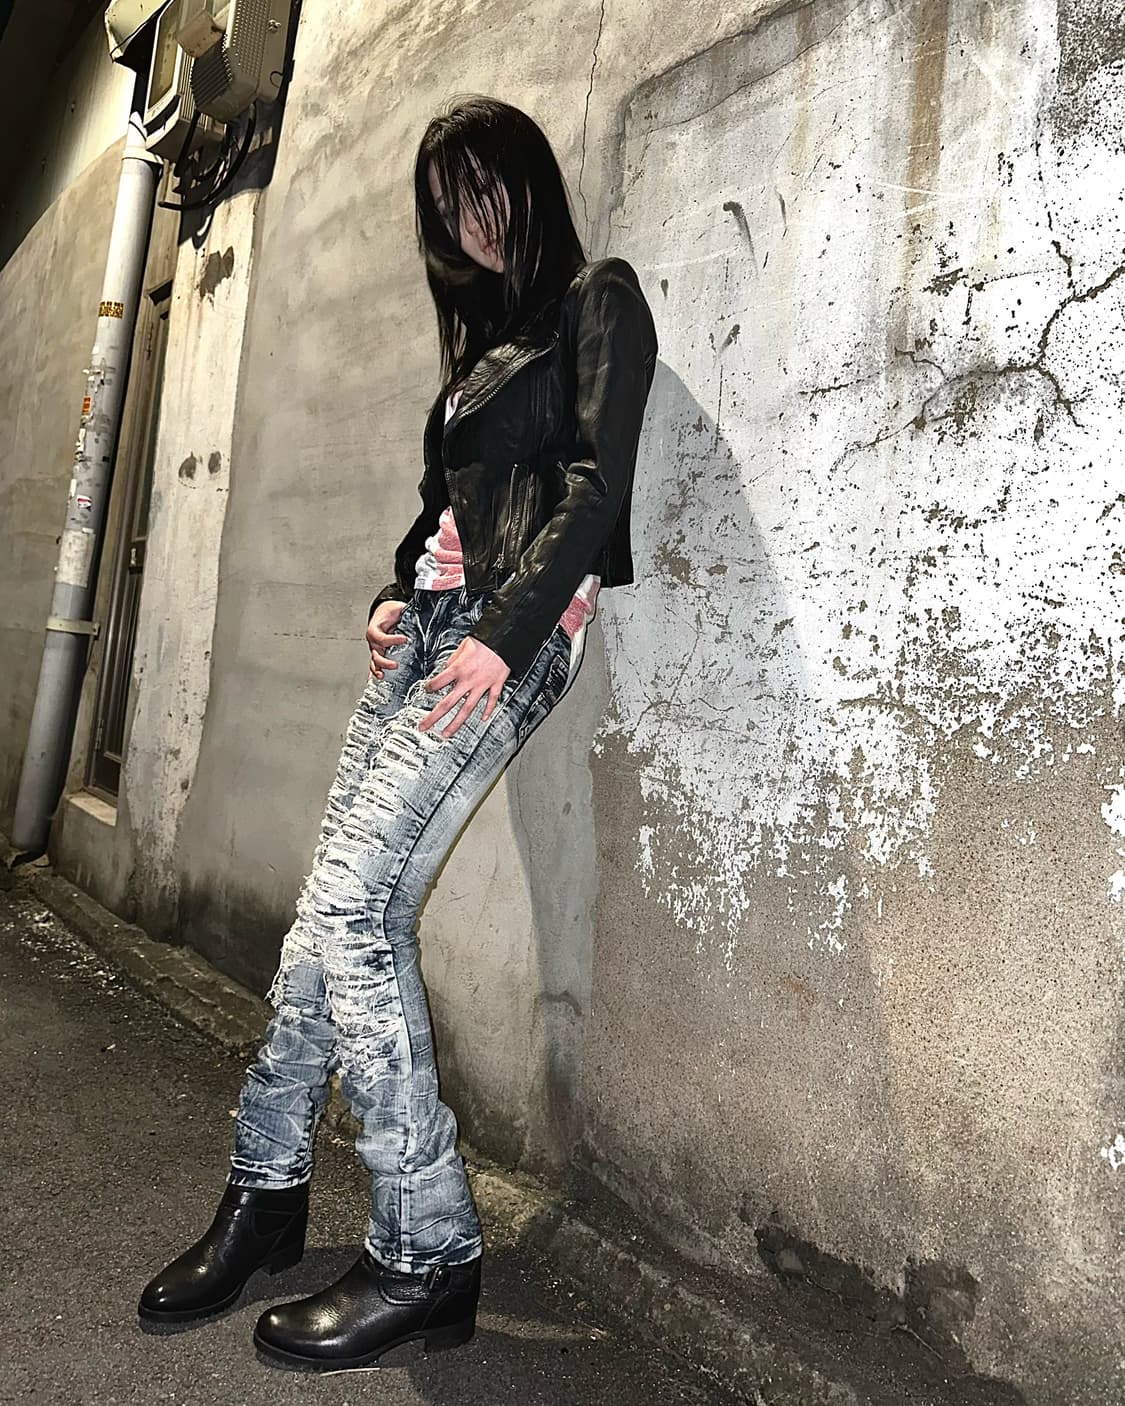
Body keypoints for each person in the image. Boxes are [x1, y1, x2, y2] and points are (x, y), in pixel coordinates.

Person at [137, 94, 658, 1371]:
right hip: (426, 636)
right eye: (445, 209)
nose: (469, 222)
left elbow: (596, 483)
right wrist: (394, 590)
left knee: (360, 915)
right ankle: (264, 1190)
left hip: (499, 644)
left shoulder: (597, 298)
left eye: (482, 188)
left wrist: (505, 632)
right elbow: (444, 504)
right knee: (328, 917)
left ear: (524, 178)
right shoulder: (481, 347)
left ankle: (426, 1247)